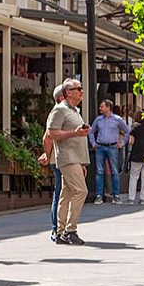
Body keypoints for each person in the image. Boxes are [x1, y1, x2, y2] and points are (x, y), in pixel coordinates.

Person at [47, 79, 90, 245]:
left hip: (75, 159)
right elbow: (51, 133)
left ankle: (60, 231)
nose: (81, 91)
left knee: (67, 193)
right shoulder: (60, 110)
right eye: (78, 88)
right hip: (67, 157)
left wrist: (82, 163)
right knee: (81, 191)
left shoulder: (74, 111)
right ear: (68, 92)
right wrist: (75, 133)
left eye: (82, 88)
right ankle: (70, 230)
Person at [38, 83, 68, 243]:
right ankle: (57, 229)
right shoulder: (58, 112)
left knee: (64, 193)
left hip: (65, 159)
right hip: (60, 160)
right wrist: (48, 155)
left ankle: (63, 228)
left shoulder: (64, 112)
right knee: (60, 193)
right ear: (62, 97)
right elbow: (47, 138)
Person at [89, 100, 131, 204]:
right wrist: (93, 143)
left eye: (102, 106)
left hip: (112, 147)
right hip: (100, 146)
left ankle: (115, 195)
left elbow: (127, 130)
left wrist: (122, 143)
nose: (100, 108)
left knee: (114, 171)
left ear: (108, 107)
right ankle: (99, 195)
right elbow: (91, 131)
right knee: (99, 171)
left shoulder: (117, 119)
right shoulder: (98, 120)